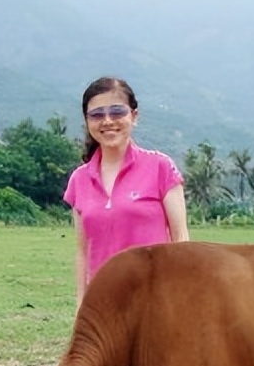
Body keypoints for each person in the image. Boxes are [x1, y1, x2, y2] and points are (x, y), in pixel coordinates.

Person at [64, 77, 189, 305]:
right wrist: (82, 304)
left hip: (155, 299)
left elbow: (181, 239)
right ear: (87, 121)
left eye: (117, 112)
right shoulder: (79, 180)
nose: (108, 121)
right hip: (103, 305)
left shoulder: (161, 167)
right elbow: (83, 251)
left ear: (134, 116)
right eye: (97, 114)